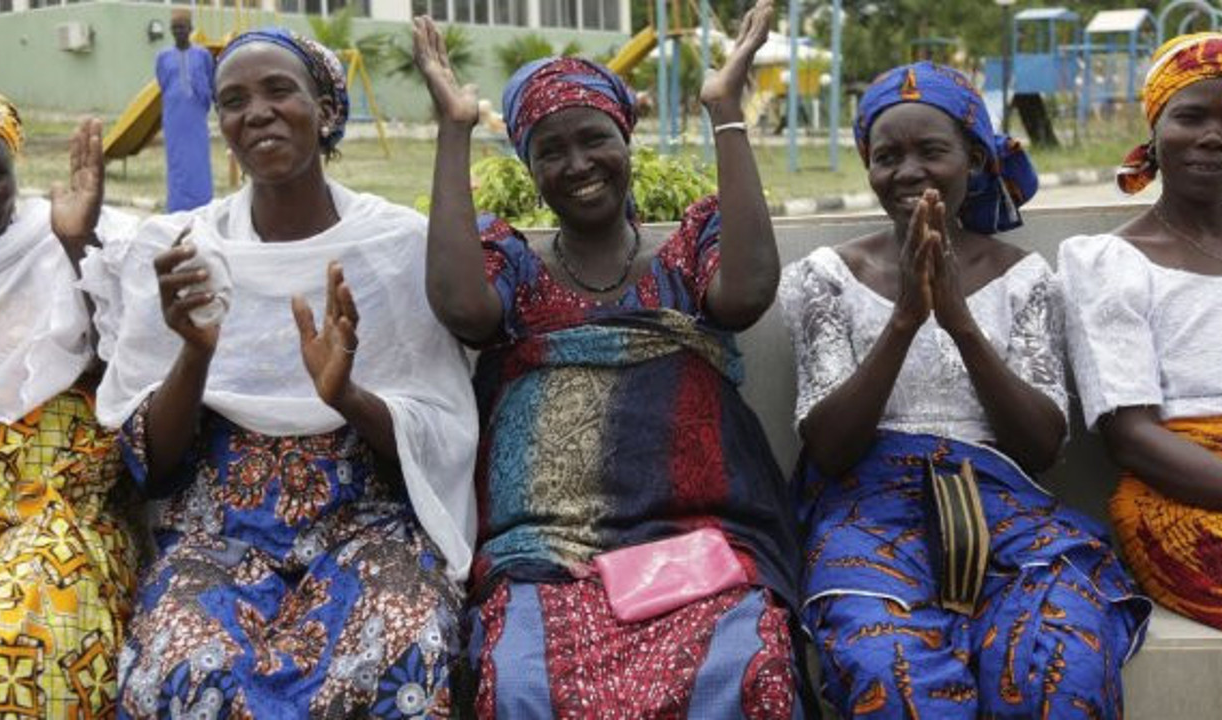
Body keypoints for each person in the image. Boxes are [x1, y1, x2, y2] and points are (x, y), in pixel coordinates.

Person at [415, 1, 804, 715]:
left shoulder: (687, 256)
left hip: (694, 544)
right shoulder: (514, 267)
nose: (577, 164)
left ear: (626, 138)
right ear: (530, 169)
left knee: (751, 666)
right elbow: (462, 308)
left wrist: (725, 111)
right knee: (518, 679)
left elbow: (748, 293)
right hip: (545, 555)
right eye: (550, 151)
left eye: (594, 138)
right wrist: (454, 129)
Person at [81, 29, 478, 718]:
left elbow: (435, 437)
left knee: (402, 643)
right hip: (216, 535)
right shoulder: (185, 252)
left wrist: (344, 396)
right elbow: (151, 463)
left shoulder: (393, 246)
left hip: (365, 526)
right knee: (181, 664)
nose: (256, 112)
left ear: (325, 111)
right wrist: (196, 352)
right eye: (234, 101)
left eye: (278, 91)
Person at [779, 62, 1149, 718]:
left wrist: (960, 322)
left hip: (1003, 507)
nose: (908, 171)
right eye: (887, 156)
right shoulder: (828, 277)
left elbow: (1039, 448)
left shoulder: (1023, 277)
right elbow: (831, 449)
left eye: (932, 151)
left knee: (1059, 658)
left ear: (974, 161)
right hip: (867, 512)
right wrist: (905, 320)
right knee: (891, 668)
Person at [0, 77, 137, 717]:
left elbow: (128, 362)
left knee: (17, 631)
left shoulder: (53, 243)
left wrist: (80, 246)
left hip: (49, 521)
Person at [1060, 32, 1222, 631]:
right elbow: (1130, 437)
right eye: (1191, 116)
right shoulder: (1110, 263)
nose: (1213, 135)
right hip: (1178, 503)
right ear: (1154, 135)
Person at [155, 8, 215, 211]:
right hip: (174, 117)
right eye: (174, 28)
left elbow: (210, 79)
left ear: (190, 28)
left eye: (182, 27)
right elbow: (163, 82)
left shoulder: (203, 54)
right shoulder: (163, 57)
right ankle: (177, 207)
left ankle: (203, 204)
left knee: (198, 159)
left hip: (196, 116)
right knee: (177, 161)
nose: (178, 31)